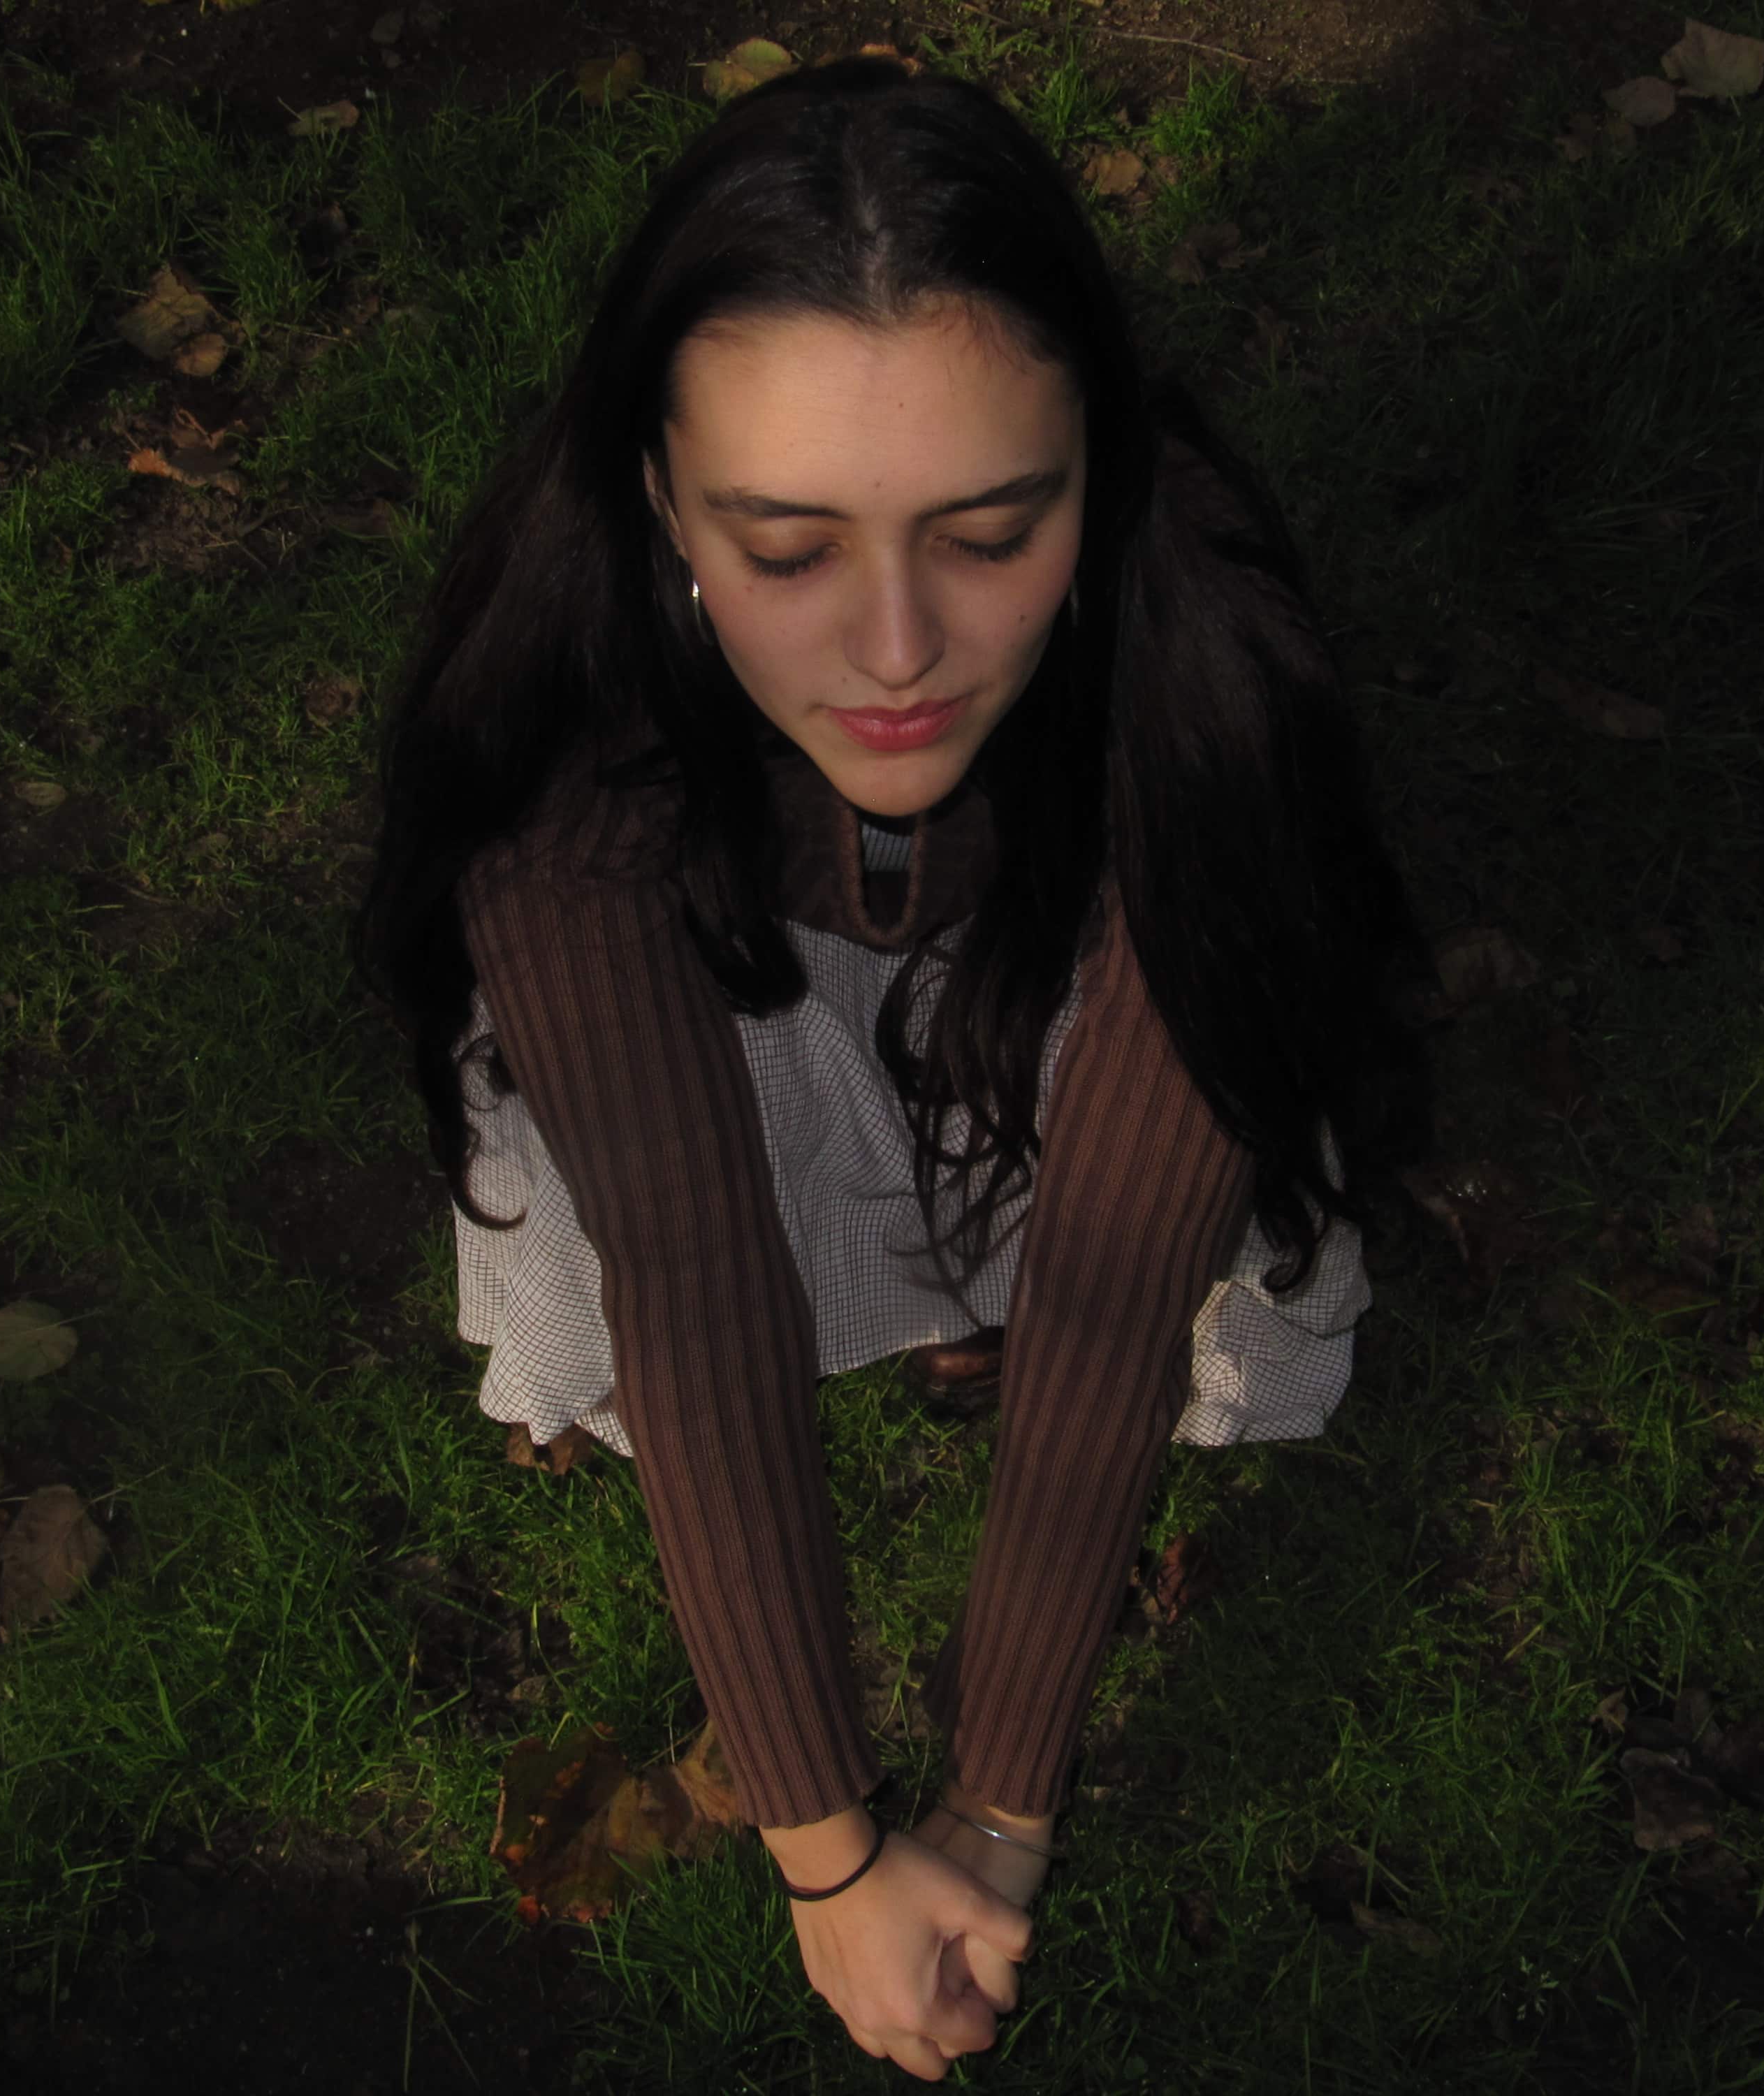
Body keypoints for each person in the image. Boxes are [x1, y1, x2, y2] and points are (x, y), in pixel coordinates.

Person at [354, 52, 1431, 2080]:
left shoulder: (1200, 705)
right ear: (659, 497)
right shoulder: (570, 747)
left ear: (1101, 474)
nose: (899, 651)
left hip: (1053, 975)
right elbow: (691, 1274)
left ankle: (953, 1279)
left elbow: (1120, 1283)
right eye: (785, 549)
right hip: (724, 990)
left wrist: (1001, 1810)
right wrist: (828, 1853)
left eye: (994, 530)